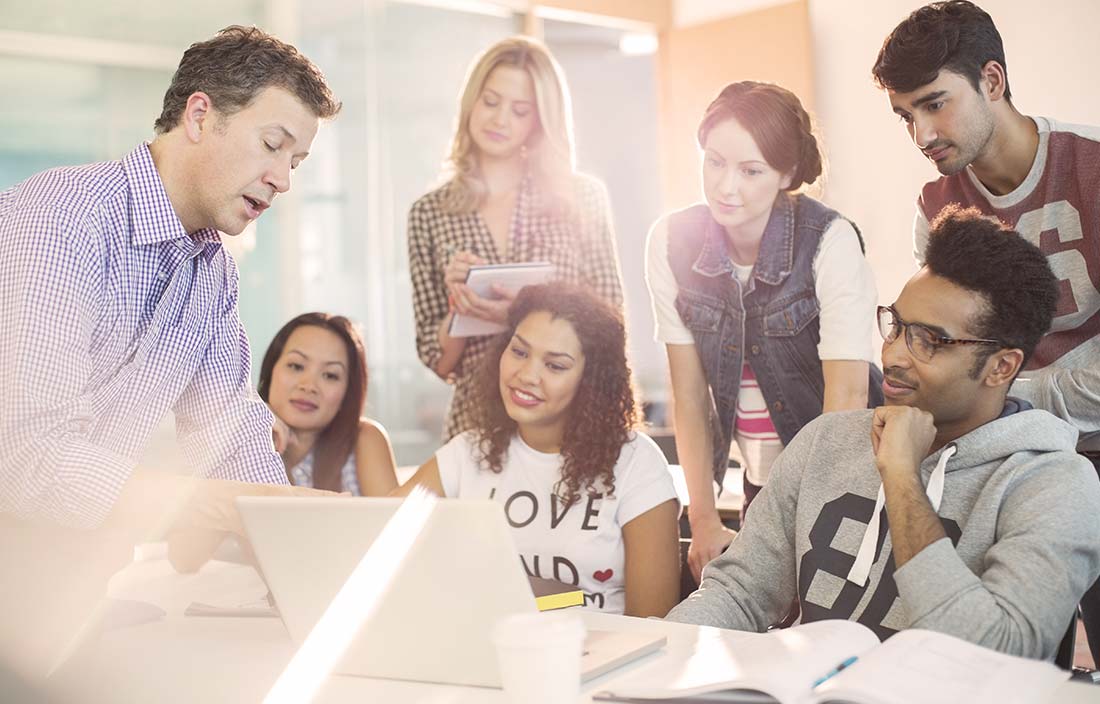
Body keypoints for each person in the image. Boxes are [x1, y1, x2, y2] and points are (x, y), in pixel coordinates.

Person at [0, 26, 340, 677]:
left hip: (63, 594)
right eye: (273, 145)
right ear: (200, 114)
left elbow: (229, 427)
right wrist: (209, 503)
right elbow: (23, 453)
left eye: (295, 163)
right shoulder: (61, 220)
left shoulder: (212, 271)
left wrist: (301, 547)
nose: (283, 179)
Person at [666, 206, 1100, 661]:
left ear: (1001, 367)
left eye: (929, 341)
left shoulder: (1055, 484)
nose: (892, 355)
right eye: (896, 325)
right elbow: (739, 592)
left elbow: (993, 653)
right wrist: (657, 660)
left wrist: (901, 475)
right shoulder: (825, 442)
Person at [872, 0, 1100, 664]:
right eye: (906, 115)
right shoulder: (935, 208)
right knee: (1016, 664)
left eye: (935, 104)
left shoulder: (1092, 167)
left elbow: (973, 377)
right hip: (1011, 468)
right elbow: (939, 356)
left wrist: (1016, 391)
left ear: (992, 80)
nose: (921, 134)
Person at [644, 81, 882, 583]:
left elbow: (847, 396)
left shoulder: (830, 240)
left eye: (751, 171)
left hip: (847, 481)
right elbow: (688, 396)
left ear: (787, 173)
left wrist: (813, 520)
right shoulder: (671, 243)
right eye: (714, 162)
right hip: (757, 484)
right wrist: (703, 518)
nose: (726, 187)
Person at [396, 284, 680, 617]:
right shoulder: (467, 453)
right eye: (518, 352)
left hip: (602, 660)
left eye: (555, 366)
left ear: (591, 382)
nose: (527, 375)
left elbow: (653, 624)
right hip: (488, 656)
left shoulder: (635, 463)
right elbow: (377, 533)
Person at [407, 36, 624, 443]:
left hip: (568, 424)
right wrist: (461, 302)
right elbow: (440, 362)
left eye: (520, 110)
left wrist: (522, 312)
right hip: (474, 425)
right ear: (471, 101)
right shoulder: (429, 212)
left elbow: (612, 321)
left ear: (539, 120)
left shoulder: (581, 197)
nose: (500, 119)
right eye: (490, 101)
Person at [258, 312, 397, 495]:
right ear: (271, 371)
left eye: (330, 375)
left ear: (348, 391)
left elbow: (395, 521)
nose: (309, 386)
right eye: (296, 366)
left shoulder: (364, 439)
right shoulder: (238, 433)